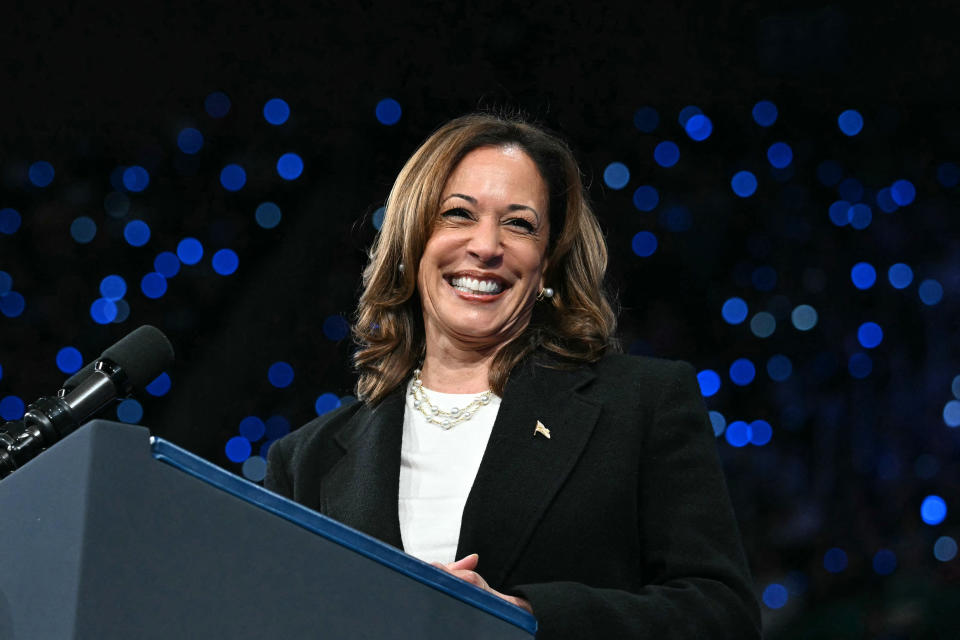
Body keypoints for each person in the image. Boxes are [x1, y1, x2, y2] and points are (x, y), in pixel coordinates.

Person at [265, 113, 761, 638]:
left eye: (519, 223)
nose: (486, 246)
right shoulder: (305, 461)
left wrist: (526, 619)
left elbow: (720, 615)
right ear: (412, 240)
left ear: (547, 263)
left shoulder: (641, 405)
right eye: (458, 215)